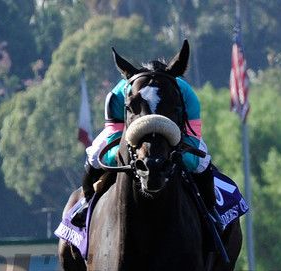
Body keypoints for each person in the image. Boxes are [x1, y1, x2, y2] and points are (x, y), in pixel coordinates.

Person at [72, 51, 216, 227]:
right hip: (129, 134)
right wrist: (132, 156)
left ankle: (211, 212)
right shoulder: (117, 96)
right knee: (95, 155)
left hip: (178, 134)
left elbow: (193, 136)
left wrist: (174, 154)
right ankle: (87, 203)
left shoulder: (187, 95)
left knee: (201, 162)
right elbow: (115, 136)